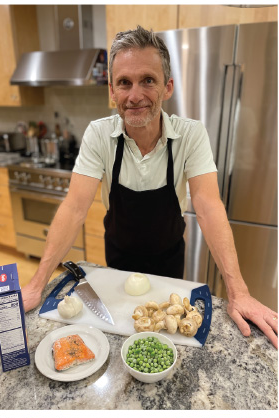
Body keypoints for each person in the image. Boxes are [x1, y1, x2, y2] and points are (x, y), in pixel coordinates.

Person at [20, 26, 278, 348]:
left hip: (169, 264)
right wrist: (36, 284)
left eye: (148, 80)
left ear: (167, 87)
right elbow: (74, 207)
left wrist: (239, 292)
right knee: (116, 338)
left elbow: (209, 207)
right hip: (116, 262)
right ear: (112, 91)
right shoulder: (99, 135)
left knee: (164, 340)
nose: (135, 95)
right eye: (124, 83)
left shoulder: (191, 135)